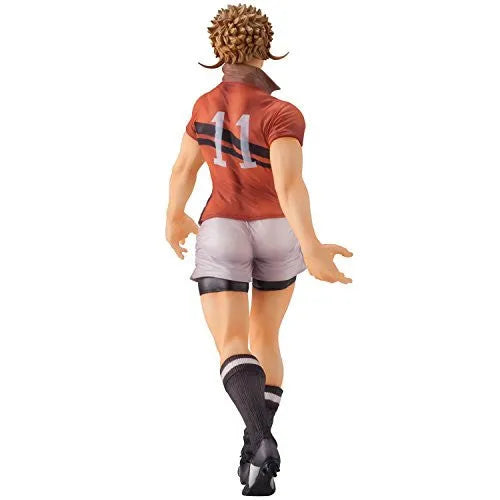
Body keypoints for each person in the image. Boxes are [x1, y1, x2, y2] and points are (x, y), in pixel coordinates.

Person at [165, 4, 352, 495]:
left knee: (232, 342)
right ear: (267, 49)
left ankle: (259, 438)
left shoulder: (203, 105)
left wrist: (174, 215)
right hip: (276, 229)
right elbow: (290, 187)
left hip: (222, 226)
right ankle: (256, 448)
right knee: (266, 335)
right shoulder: (281, 113)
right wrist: (311, 246)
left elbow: (184, 170)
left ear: (217, 49)